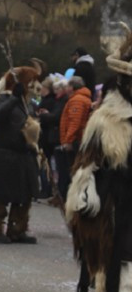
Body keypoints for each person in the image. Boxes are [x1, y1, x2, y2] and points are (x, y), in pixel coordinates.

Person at [67, 25, 132, 292]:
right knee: (122, 252)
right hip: (117, 197)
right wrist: (85, 189)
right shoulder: (106, 117)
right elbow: (87, 160)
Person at [0, 60, 44, 244]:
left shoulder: (26, 104)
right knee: (1, 194)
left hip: (24, 153)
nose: (35, 85)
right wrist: (14, 98)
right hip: (6, 154)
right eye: (32, 81)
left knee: (25, 194)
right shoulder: (4, 100)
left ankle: (17, 230)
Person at [56, 75, 92, 203]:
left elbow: (74, 122)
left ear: (72, 87)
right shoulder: (83, 98)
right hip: (79, 140)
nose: (66, 88)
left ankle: (76, 201)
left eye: (67, 86)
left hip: (75, 142)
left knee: (75, 172)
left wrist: (67, 141)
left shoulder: (77, 100)